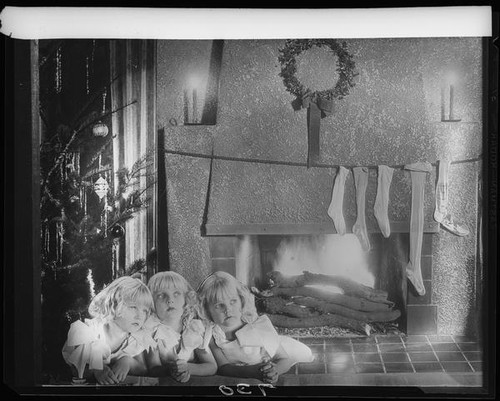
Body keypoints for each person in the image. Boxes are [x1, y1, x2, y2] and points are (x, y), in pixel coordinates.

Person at [197, 271, 314, 384]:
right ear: (207, 310)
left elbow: (284, 358)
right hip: (249, 372)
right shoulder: (212, 335)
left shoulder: (257, 326)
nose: (228, 310)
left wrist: (275, 371)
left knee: (300, 354)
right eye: (219, 306)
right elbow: (223, 367)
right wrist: (253, 371)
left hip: (270, 359)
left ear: (241, 301)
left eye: (233, 301)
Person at [61, 276, 155, 385]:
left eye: (145, 311)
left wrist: (127, 361)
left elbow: (143, 369)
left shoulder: (135, 338)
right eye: (133, 307)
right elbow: (76, 368)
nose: (140, 316)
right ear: (114, 305)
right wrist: (96, 369)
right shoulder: (91, 332)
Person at [144, 271, 217, 382]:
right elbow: (153, 368)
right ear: (152, 303)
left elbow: (211, 366)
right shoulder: (151, 331)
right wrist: (171, 370)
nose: (170, 300)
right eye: (160, 295)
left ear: (186, 299)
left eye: (176, 293)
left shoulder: (194, 328)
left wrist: (189, 368)